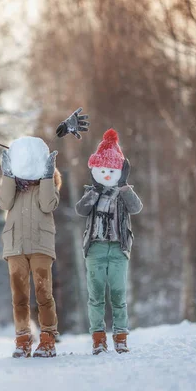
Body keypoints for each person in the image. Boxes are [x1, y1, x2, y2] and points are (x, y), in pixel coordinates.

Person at [75, 129, 143, 355]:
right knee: (95, 297)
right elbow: (81, 210)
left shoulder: (124, 193)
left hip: (117, 249)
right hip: (95, 248)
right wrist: (94, 191)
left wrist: (123, 185)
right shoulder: (91, 192)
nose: (106, 175)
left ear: (119, 172)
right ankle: (98, 338)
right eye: (101, 170)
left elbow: (136, 208)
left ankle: (121, 336)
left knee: (118, 295)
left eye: (111, 171)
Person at [0, 137, 61, 358]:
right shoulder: (14, 187)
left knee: (44, 293)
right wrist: (7, 174)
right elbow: (4, 203)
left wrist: (46, 175)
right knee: (19, 296)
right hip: (15, 245)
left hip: (41, 245)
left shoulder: (49, 184)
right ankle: (23, 338)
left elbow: (48, 204)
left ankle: (48, 338)